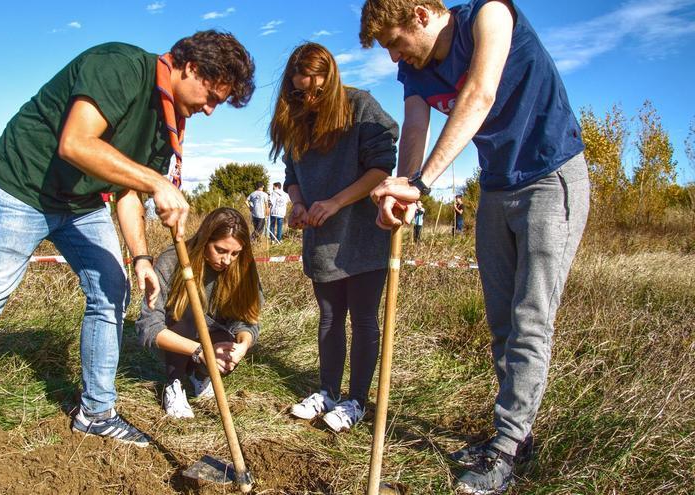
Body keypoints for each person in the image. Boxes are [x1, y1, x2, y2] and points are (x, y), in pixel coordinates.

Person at [0, 30, 255, 495]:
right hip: (24, 187)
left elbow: (126, 193)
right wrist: (156, 183)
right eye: (212, 97)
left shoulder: (167, 123)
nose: (209, 110)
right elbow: (76, 144)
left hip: (80, 204)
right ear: (192, 68)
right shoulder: (119, 66)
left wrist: (140, 255)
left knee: (111, 291)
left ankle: (96, 412)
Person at [360, 1, 590, 492]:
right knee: (502, 320)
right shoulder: (413, 68)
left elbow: (480, 95)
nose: (393, 56)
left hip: (550, 176)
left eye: (395, 42)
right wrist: (402, 189)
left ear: (421, 15)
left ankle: (508, 445)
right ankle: (513, 434)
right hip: (498, 186)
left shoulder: (490, 15)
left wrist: (421, 185)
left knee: (531, 318)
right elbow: (415, 133)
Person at [269, 42, 399, 433]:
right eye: (299, 91)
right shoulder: (296, 118)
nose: (308, 98)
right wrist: (297, 204)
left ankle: (355, 399)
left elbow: (382, 166)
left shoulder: (360, 107)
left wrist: (337, 202)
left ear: (332, 81)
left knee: (362, 318)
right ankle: (327, 390)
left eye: (316, 90)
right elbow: (292, 176)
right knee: (329, 317)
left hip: (362, 233)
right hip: (321, 236)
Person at [136, 207, 261, 418]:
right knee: (185, 312)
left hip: (210, 338)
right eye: (220, 250)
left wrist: (242, 346)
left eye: (235, 253)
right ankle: (174, 382)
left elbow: (247, 321)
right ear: (205, 240)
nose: (227, 260)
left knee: (227, 343)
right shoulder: (173, 260)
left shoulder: (242, 268)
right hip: (175, 338)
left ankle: (200, 375)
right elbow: (147, 328)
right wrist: (200, 351)